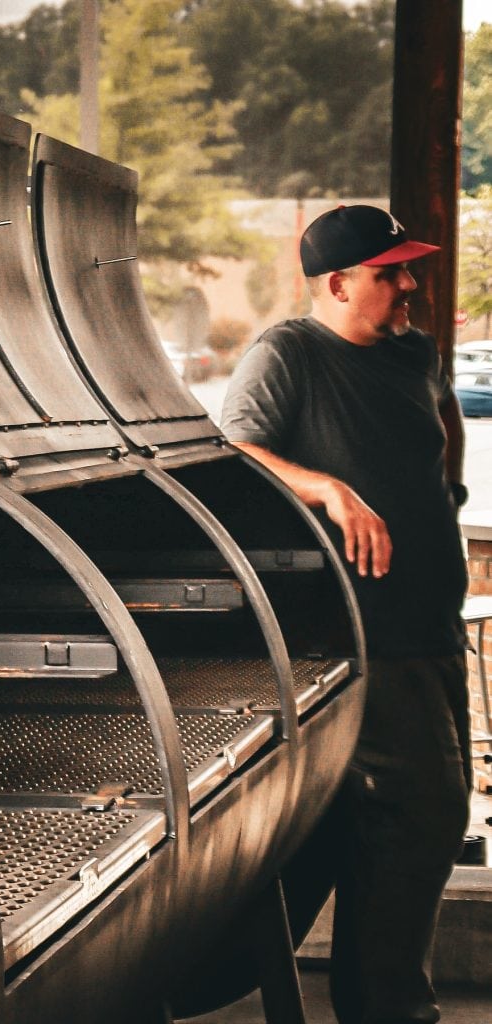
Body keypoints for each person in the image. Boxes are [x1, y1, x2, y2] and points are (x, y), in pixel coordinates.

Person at [220, 204, 472, 1024]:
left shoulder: (415, 354)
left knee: (401, 817)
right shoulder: (286, 353)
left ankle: (356, 999)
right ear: (336, 282)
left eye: (407, 269)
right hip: (361, 633)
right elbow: (233, 453)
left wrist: (447, 495)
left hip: (428, 623)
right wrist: (328, 488)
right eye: (388, 273)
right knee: (427, 813)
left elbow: (442, 424)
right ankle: (393, 1011)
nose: (408, 285)